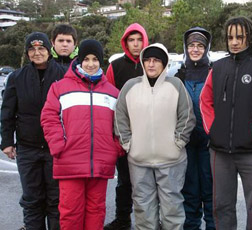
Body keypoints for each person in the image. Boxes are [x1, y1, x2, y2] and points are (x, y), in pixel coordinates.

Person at [200, 16, 252, 230]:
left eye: (240, 37)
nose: (234, 42)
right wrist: (214, 130)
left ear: (249, 37)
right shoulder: (217, 67)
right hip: (220, 152)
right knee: (221, 205)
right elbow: (205, 102)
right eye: (230, 37)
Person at [41, 39, 122, 230]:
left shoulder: (112, 92)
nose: (91, 64)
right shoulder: (60, 87)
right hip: (70, 162)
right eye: (86, 59)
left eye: (95, 59)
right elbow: (48, 117)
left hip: (101, 163)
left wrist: (115, 149)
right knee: (70, 213)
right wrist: (58, 145)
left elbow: (121, 124)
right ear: (78, 60)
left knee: (96, 211)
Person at [114, 43, 196, 230]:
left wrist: (178, 143)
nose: (151, 64)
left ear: (164, 63)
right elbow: (120, 117)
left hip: (171, 161)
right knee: (143, 208)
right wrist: (128, 144)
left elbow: (187, 116)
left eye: (156, 60)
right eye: (148, 60)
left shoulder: (175, 85)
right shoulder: (130, 86)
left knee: (172, 208)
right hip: (139, 160)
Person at [1, 32, 67, 230]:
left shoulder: (64, 75)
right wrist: (6, 142)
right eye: (32, 49)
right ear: (27, 52)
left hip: (55, 149)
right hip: (27, 148)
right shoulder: (16, 77)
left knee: (56, 200)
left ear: (49, 50)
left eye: (41, 49)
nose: (37, 53)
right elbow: (7, 112)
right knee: (32, 199)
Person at [104, 22, 149, 230]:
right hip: (124, 136)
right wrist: (116, 136)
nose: (136, 44)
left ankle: (148, 221)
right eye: (131, 40)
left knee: (148, 184)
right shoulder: (115, 67)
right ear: (125, 42)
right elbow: (109, 103)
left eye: (139, 39)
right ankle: (123, 220)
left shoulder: (152, 63)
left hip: (149, 136)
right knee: (124, 183)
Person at [174, 27, 215, 230]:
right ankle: (191, 226)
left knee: (210, 189)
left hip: (209, 142)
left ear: (206, 48)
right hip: (186, 144)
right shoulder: (179, 75)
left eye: (200, 46)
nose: (196, 49)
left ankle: (212, 226)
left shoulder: (214, 72)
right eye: (191, 45)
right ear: (186, 48)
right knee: (189, 189)